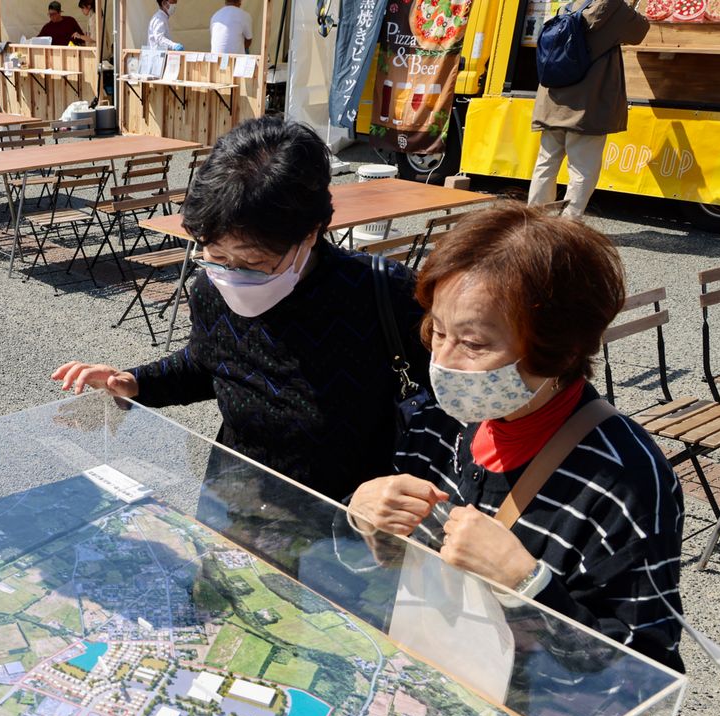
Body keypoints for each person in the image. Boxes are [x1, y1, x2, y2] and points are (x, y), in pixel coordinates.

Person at [345, 202, 683, 671]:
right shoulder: (436, 419)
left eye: (474, 343)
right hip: (431, 684)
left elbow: (644, 670)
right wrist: (364, 512)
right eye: (438, 332)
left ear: (560, 349)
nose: (444, 361)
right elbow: (399, 567)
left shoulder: (627, 482)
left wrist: (527, 586)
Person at [52, 117, 428, 504]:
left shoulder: (382, 294)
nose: (231, 274)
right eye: (215, 254)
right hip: (235, 500)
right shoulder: (211, 288)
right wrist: (134, 382)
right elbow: (210, 362)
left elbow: (446, 410)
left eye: (253, 261)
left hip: (346, 521)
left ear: (311, 233)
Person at [527, 0, 648, 218]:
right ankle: (569, 224)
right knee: (582, 169)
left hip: (553, 101)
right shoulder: (616, 8)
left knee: (546, 163)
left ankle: (535, 221)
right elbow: (640, 31)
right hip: (587, 106)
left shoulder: (569, 6)